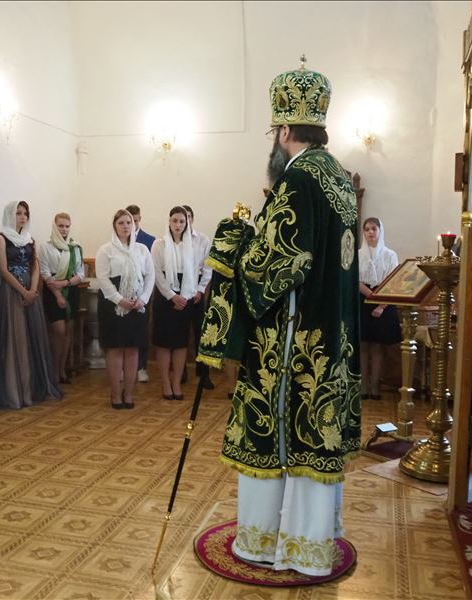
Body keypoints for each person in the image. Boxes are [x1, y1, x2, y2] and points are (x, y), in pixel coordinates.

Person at [201, 61, 361, 576]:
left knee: (280, 433)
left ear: (285, 130)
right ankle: (309, 544)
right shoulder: (338, 178)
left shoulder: (298, 178)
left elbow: (277, 266)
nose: (274, 141)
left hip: (290, 346)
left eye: (275, 132)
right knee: (317, 435)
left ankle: (268, 544)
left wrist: (233, 243)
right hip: (331, 339)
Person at [0, 201, 62, 408]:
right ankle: (14, 392)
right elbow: (3, 269)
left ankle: (29, 389)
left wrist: (33, 290)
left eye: (25, 213)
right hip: (9, 293)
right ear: (10, 214)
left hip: (30, 293)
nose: (23, 217)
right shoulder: (1, 238)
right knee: (15, 340)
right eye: (18, 213)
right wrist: (23, 291)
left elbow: (35, 266)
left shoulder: (30, 239)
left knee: (30, 338)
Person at [95, 209, 155, 409]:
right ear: (114, 226)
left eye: (129, 222)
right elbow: (103, 279)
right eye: (121, 223)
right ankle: (115, 394)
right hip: (113, 305)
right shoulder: (106, 250)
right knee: (115, 349)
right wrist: (119, 300)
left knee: (132, 350)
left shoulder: (142, 250)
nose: (125, 226)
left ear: (134, 224)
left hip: (137, 305)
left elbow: (150, 276)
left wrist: (143, 299)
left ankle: (128, 394)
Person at [151, 206, 196, 400]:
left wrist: (183, 296)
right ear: (169, 222)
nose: (178, 225)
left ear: (187, 224)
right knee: (163, 343)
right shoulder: (159, 244)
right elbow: (156, 274)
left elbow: (193, 272)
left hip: (185, 297)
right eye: (175, 221)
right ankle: (165, 383)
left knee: (180, 343)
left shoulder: (191, 245)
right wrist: (171, 296)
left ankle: (177, 383)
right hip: (165, 297)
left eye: (182, 221)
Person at [40, 212, 85, 384]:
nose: (64, 229)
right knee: (58, 330)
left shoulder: (75, 248)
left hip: (70, 289)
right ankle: (52, 369)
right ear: (54, 226)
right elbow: (45, 273)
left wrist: (65, 283)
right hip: (52, 291)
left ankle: (61, 369)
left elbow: (80, 274)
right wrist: (58, 294)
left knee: (68, 331)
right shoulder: (46, 247)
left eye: (67, 226)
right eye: (60, 226)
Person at [359, 217, 401, 399]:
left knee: (378, 347)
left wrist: (381, 305)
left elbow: (393, 281)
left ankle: (375, 386)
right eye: (367, 229)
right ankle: (363, 386)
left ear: (379, 231)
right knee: (363, 345)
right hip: (363, 300)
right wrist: (371, 296)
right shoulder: (358, 254)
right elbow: (356, 280)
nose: (370, 232)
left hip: (384, 301)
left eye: (373, 229)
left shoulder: (390, 255)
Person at [182, 204, 213, 389]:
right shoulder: (173, 240)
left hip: (197, 291)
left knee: (200, 334)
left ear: (192, 219)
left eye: (188, 217)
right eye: (180, 218)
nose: (184, 221)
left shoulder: (202, 240)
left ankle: (204, 375)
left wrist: (200, 290)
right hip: (179, 292)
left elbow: (207, 268)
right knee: (180, 334)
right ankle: (181, 372)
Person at [125, 204, 155, 383]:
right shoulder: (118, 239)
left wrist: (144, 296)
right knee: (124, 329)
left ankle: (142, 366)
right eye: (129, 221)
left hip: (143, 291)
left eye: (135, 221)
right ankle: (124, 367)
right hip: (123, 293)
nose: (132, 224)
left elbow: (151, 271)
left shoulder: (149, 240)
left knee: (142, 329)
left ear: (139, 219)